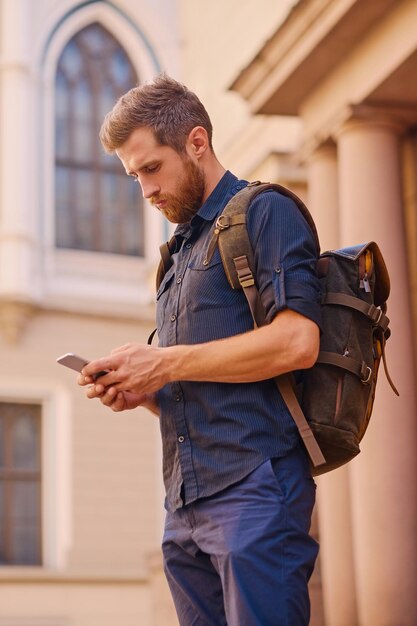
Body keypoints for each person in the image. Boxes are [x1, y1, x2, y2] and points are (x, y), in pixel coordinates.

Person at [78, 74, 321, 626]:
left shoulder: (264, 212)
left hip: (256, 488)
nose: (144, 189)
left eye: (151, 168)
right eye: (134, 176)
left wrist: (163, 361)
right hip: (184, 505)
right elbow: (205, 387)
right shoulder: (176, 256)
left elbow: (298, 341)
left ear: (196, 141)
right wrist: (144, 390)